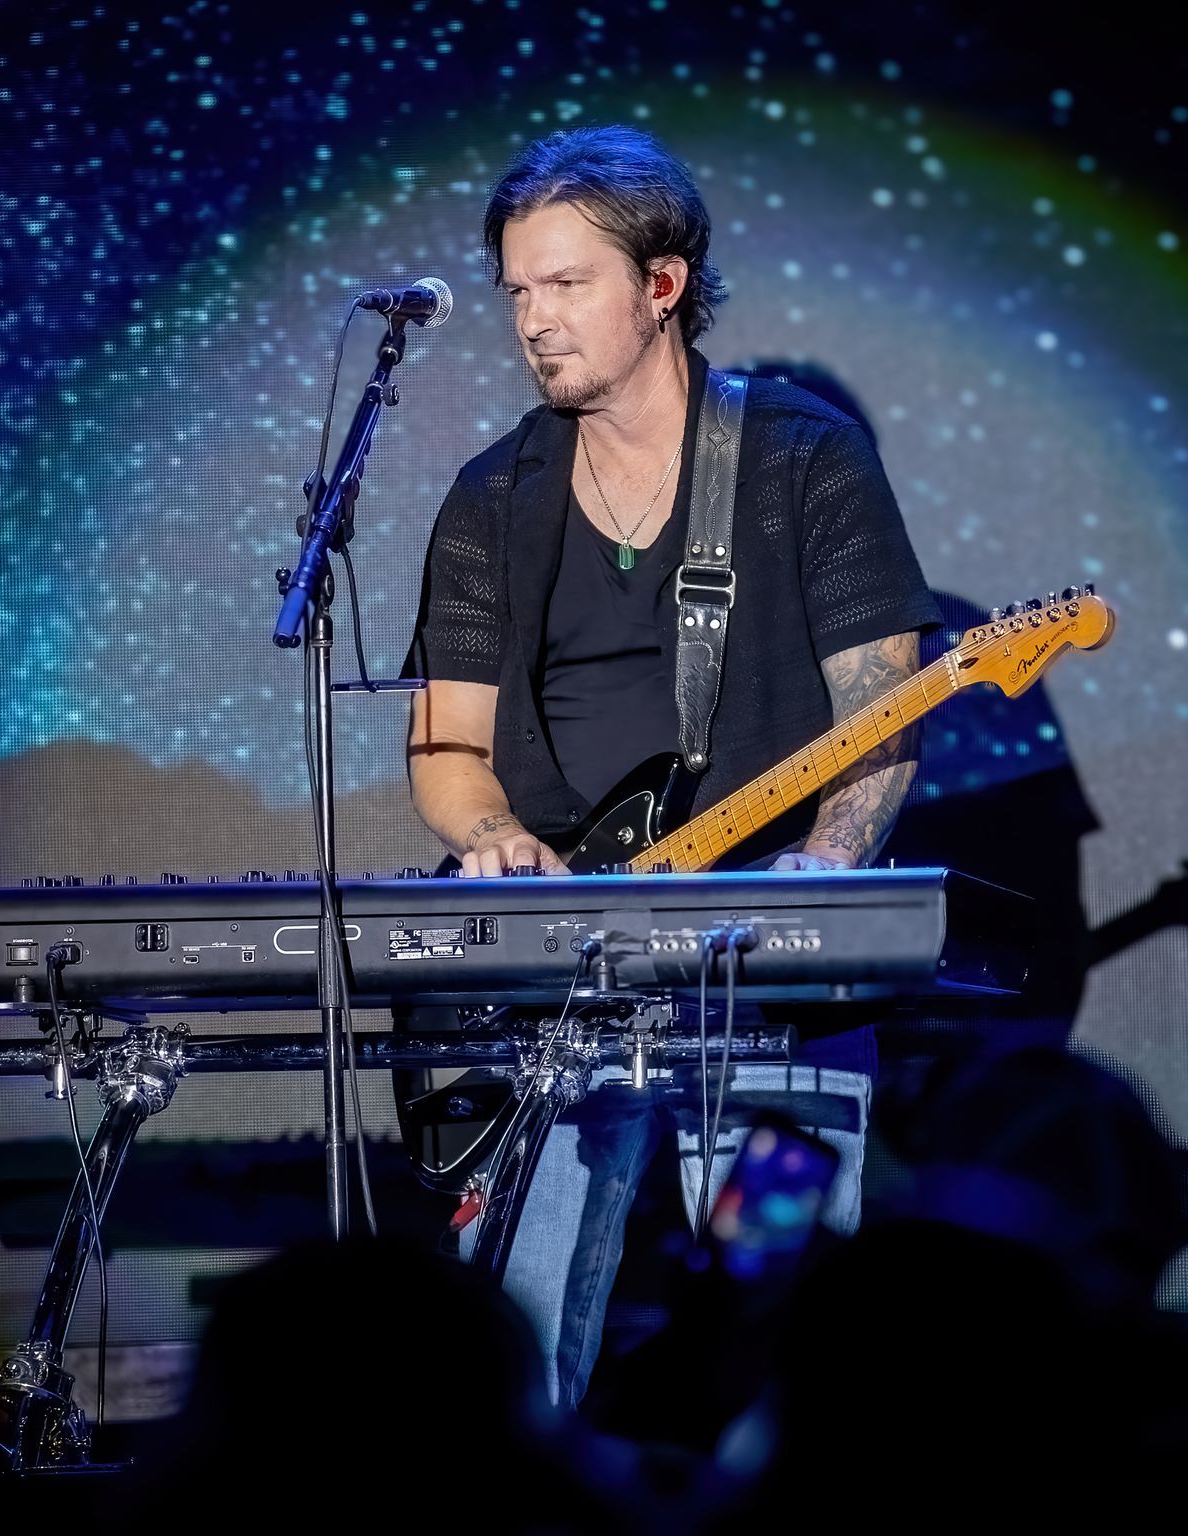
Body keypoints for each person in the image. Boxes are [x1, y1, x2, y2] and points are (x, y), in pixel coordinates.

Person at [403, 124, 942, 1406]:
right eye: (517, 290)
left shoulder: (805, 459)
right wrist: (489, 833)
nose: (534, 320)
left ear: (663, 282)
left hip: (771, 971)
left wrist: (825, 869)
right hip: (554, 978)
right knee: (514, 1342)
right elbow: (448, 743)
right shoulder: (491, 496)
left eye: (566, 283)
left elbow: (884, 717)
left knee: (788, 1324)